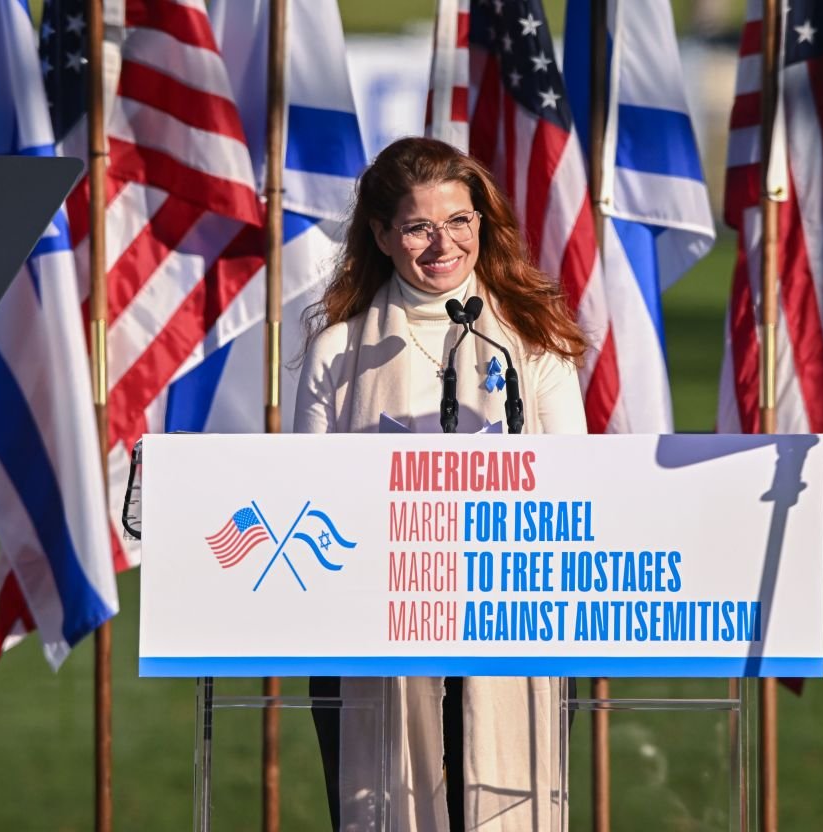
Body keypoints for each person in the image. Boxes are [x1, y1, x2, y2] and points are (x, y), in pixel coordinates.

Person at [295, 136, 587, 832]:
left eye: (460, 221)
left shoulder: (531, 338)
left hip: (510, 627)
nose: (443, 243)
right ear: (382, 234)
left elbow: (578, 483)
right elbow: (305, 499)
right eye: (420, 226)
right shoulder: (339, 349)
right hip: (374, 636)